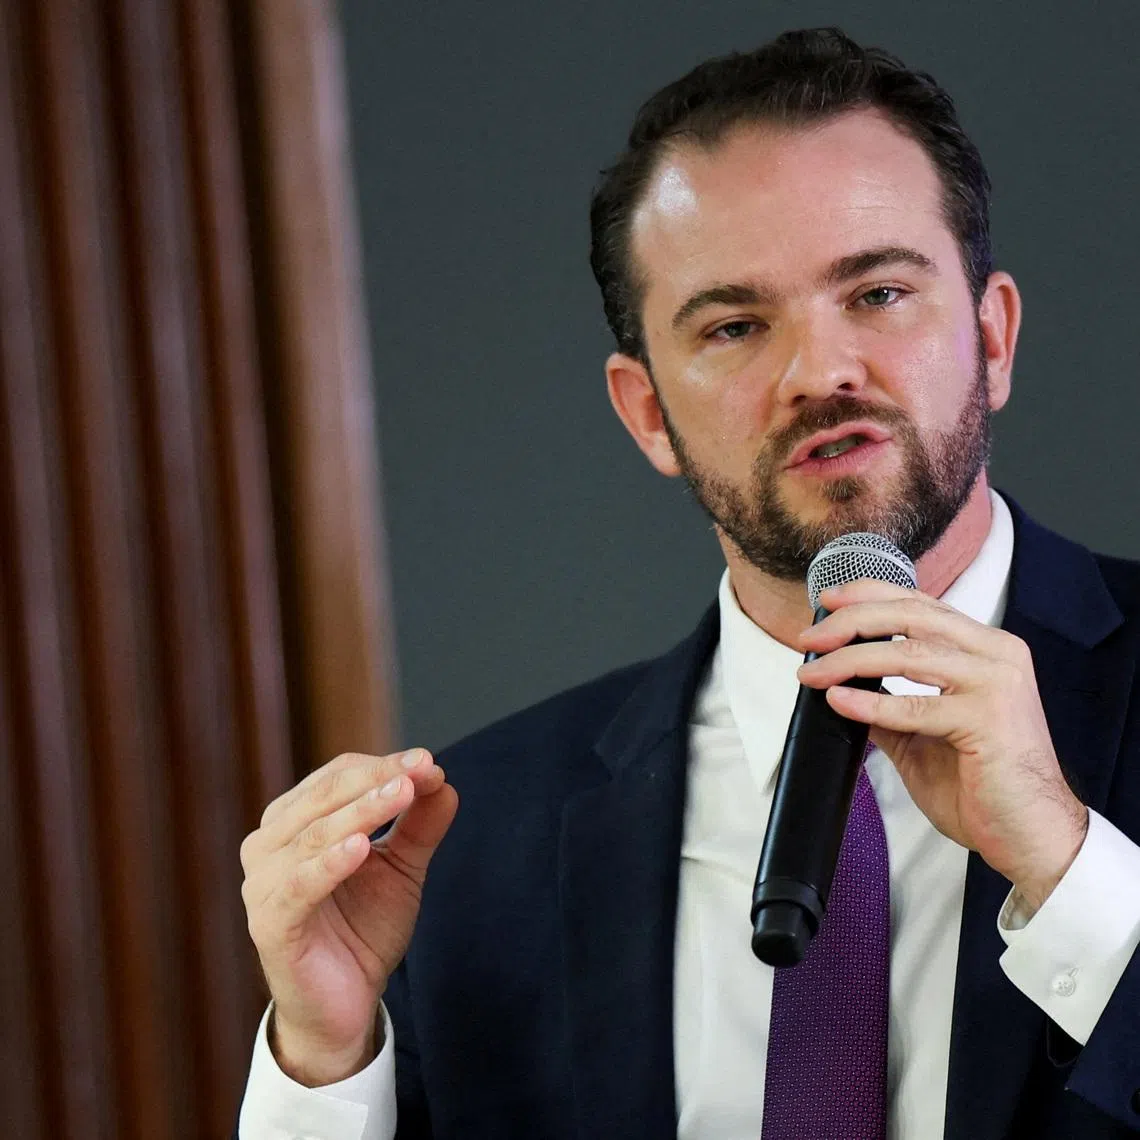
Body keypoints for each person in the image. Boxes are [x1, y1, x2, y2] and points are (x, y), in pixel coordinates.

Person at [235, 27, 1140, 1139]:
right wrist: (325, 1068)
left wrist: (1069, 867)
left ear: (993, 339)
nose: (821, 373)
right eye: (736, 325)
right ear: (648, 413)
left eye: (879, 295)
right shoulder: (473, 850)